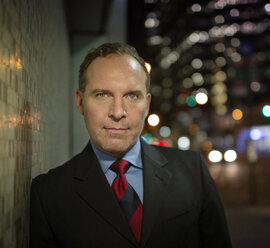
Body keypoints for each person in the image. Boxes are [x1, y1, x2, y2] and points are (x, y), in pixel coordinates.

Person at [30, 42, 232, 248]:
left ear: (147, 105)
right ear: (80, 102)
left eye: (132, 96)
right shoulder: (49, 194)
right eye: (102, 95)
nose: (118, 112)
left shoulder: (192, 171)